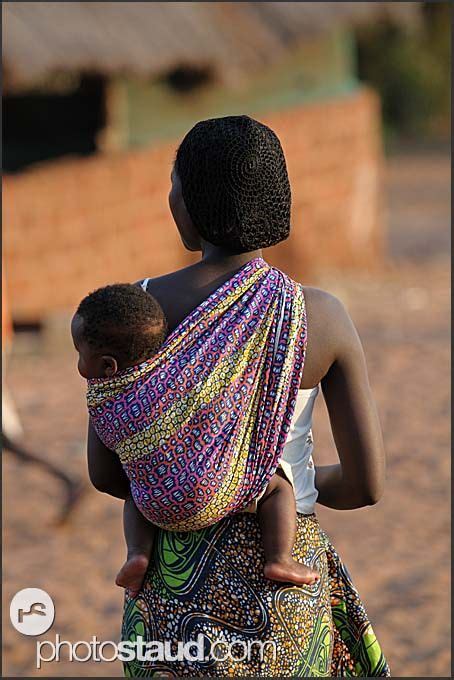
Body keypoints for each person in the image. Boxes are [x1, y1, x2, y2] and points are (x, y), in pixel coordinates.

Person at [86, 116, 390, 676]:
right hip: (285, 593)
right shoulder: (321, 316)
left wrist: (197, 483)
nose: (170, 196)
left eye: (173, 184)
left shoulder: (134, 314)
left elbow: (108, 473)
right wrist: (260, 483)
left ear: (191, 202)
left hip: (170, 588)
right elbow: (367, 485)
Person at [72, 282, 320, 596]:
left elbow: (104, 478)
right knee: (278, 483)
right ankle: (280, 558)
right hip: (212, 491)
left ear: (109, 366)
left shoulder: (103, 401)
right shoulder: (180, 378)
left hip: (154, 507)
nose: (79, 364)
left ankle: (137, 553)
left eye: (79, 354)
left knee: (136, 489)